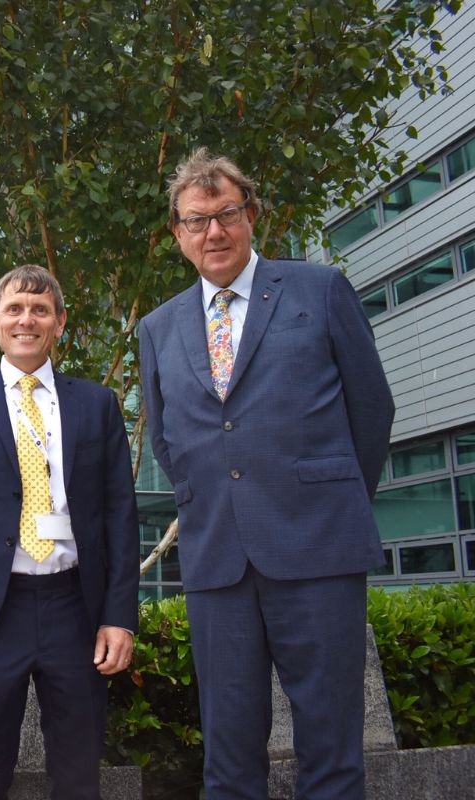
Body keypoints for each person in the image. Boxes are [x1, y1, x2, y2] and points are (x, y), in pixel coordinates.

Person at [137, 148, 395, 799]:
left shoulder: (320, 289)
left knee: (333, 750)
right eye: (196, 221)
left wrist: (328, 498)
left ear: (251, 215)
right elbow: (170, 440)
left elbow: (371, 408)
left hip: (319, 547)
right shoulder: (157, 328)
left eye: (225, 214)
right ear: (178, 233)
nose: (213, 232)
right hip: (217, 560)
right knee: (227, 759)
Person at [0, 264, 140, 800]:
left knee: (78, 772)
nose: (27, 319)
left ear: (60, 322)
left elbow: (120, 516)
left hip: (76, 609)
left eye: (40, 310)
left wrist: (119, 617)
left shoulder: (97, 404)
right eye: (14, 309)